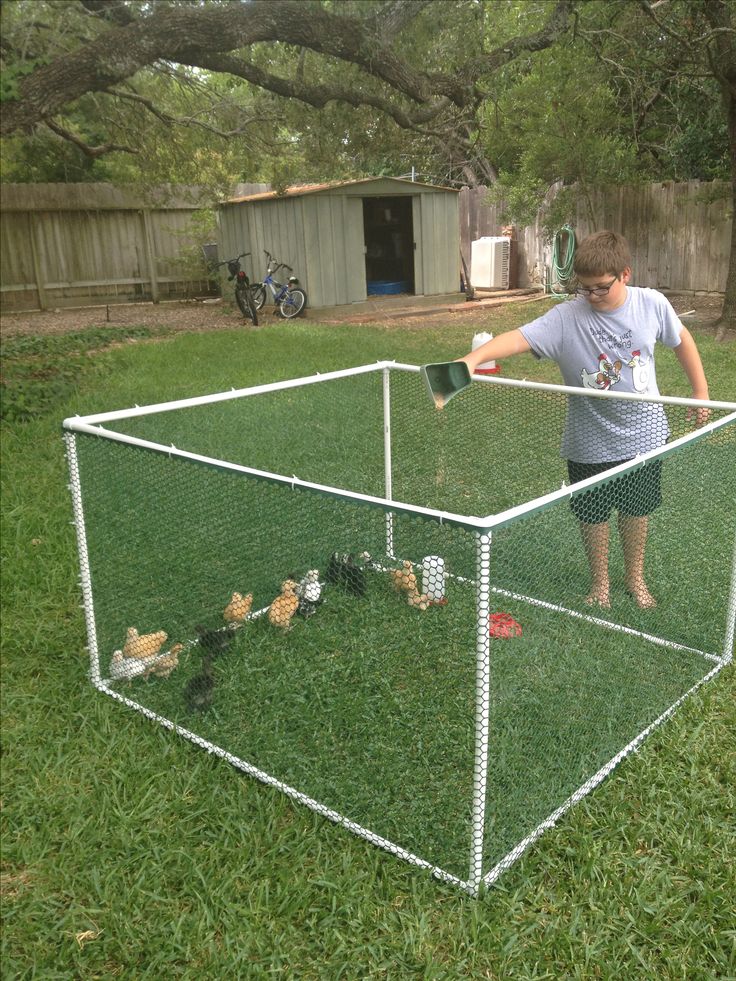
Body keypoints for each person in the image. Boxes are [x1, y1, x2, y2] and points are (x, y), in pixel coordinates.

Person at [457, 230, 710, 609]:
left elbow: (682, 340)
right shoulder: (566, 317)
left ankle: (636, 581)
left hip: (645, 434)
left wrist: (700, 392)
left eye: (600, 288)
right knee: (593, 514)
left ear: (625, 274)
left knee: (636, 510)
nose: (591, 296)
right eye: (584, 289)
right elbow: (518, 338)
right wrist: (471, 360)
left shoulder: (651, 304)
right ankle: (600, 586)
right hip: (588, 438)